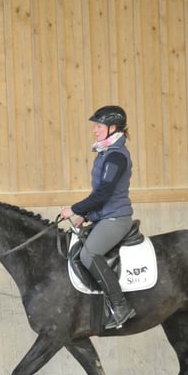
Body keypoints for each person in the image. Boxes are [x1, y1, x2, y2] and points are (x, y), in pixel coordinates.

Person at [60, 105, 136, 329]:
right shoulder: (105, 153)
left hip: (116, 219)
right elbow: (99, 194)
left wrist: (74, 209)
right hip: (103, 216)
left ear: (113, 128)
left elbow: (104, 193)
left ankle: (120, 306)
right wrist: (84, 214)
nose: (95, 130)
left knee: (89, 254)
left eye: (99, 126)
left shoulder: (116, 157)